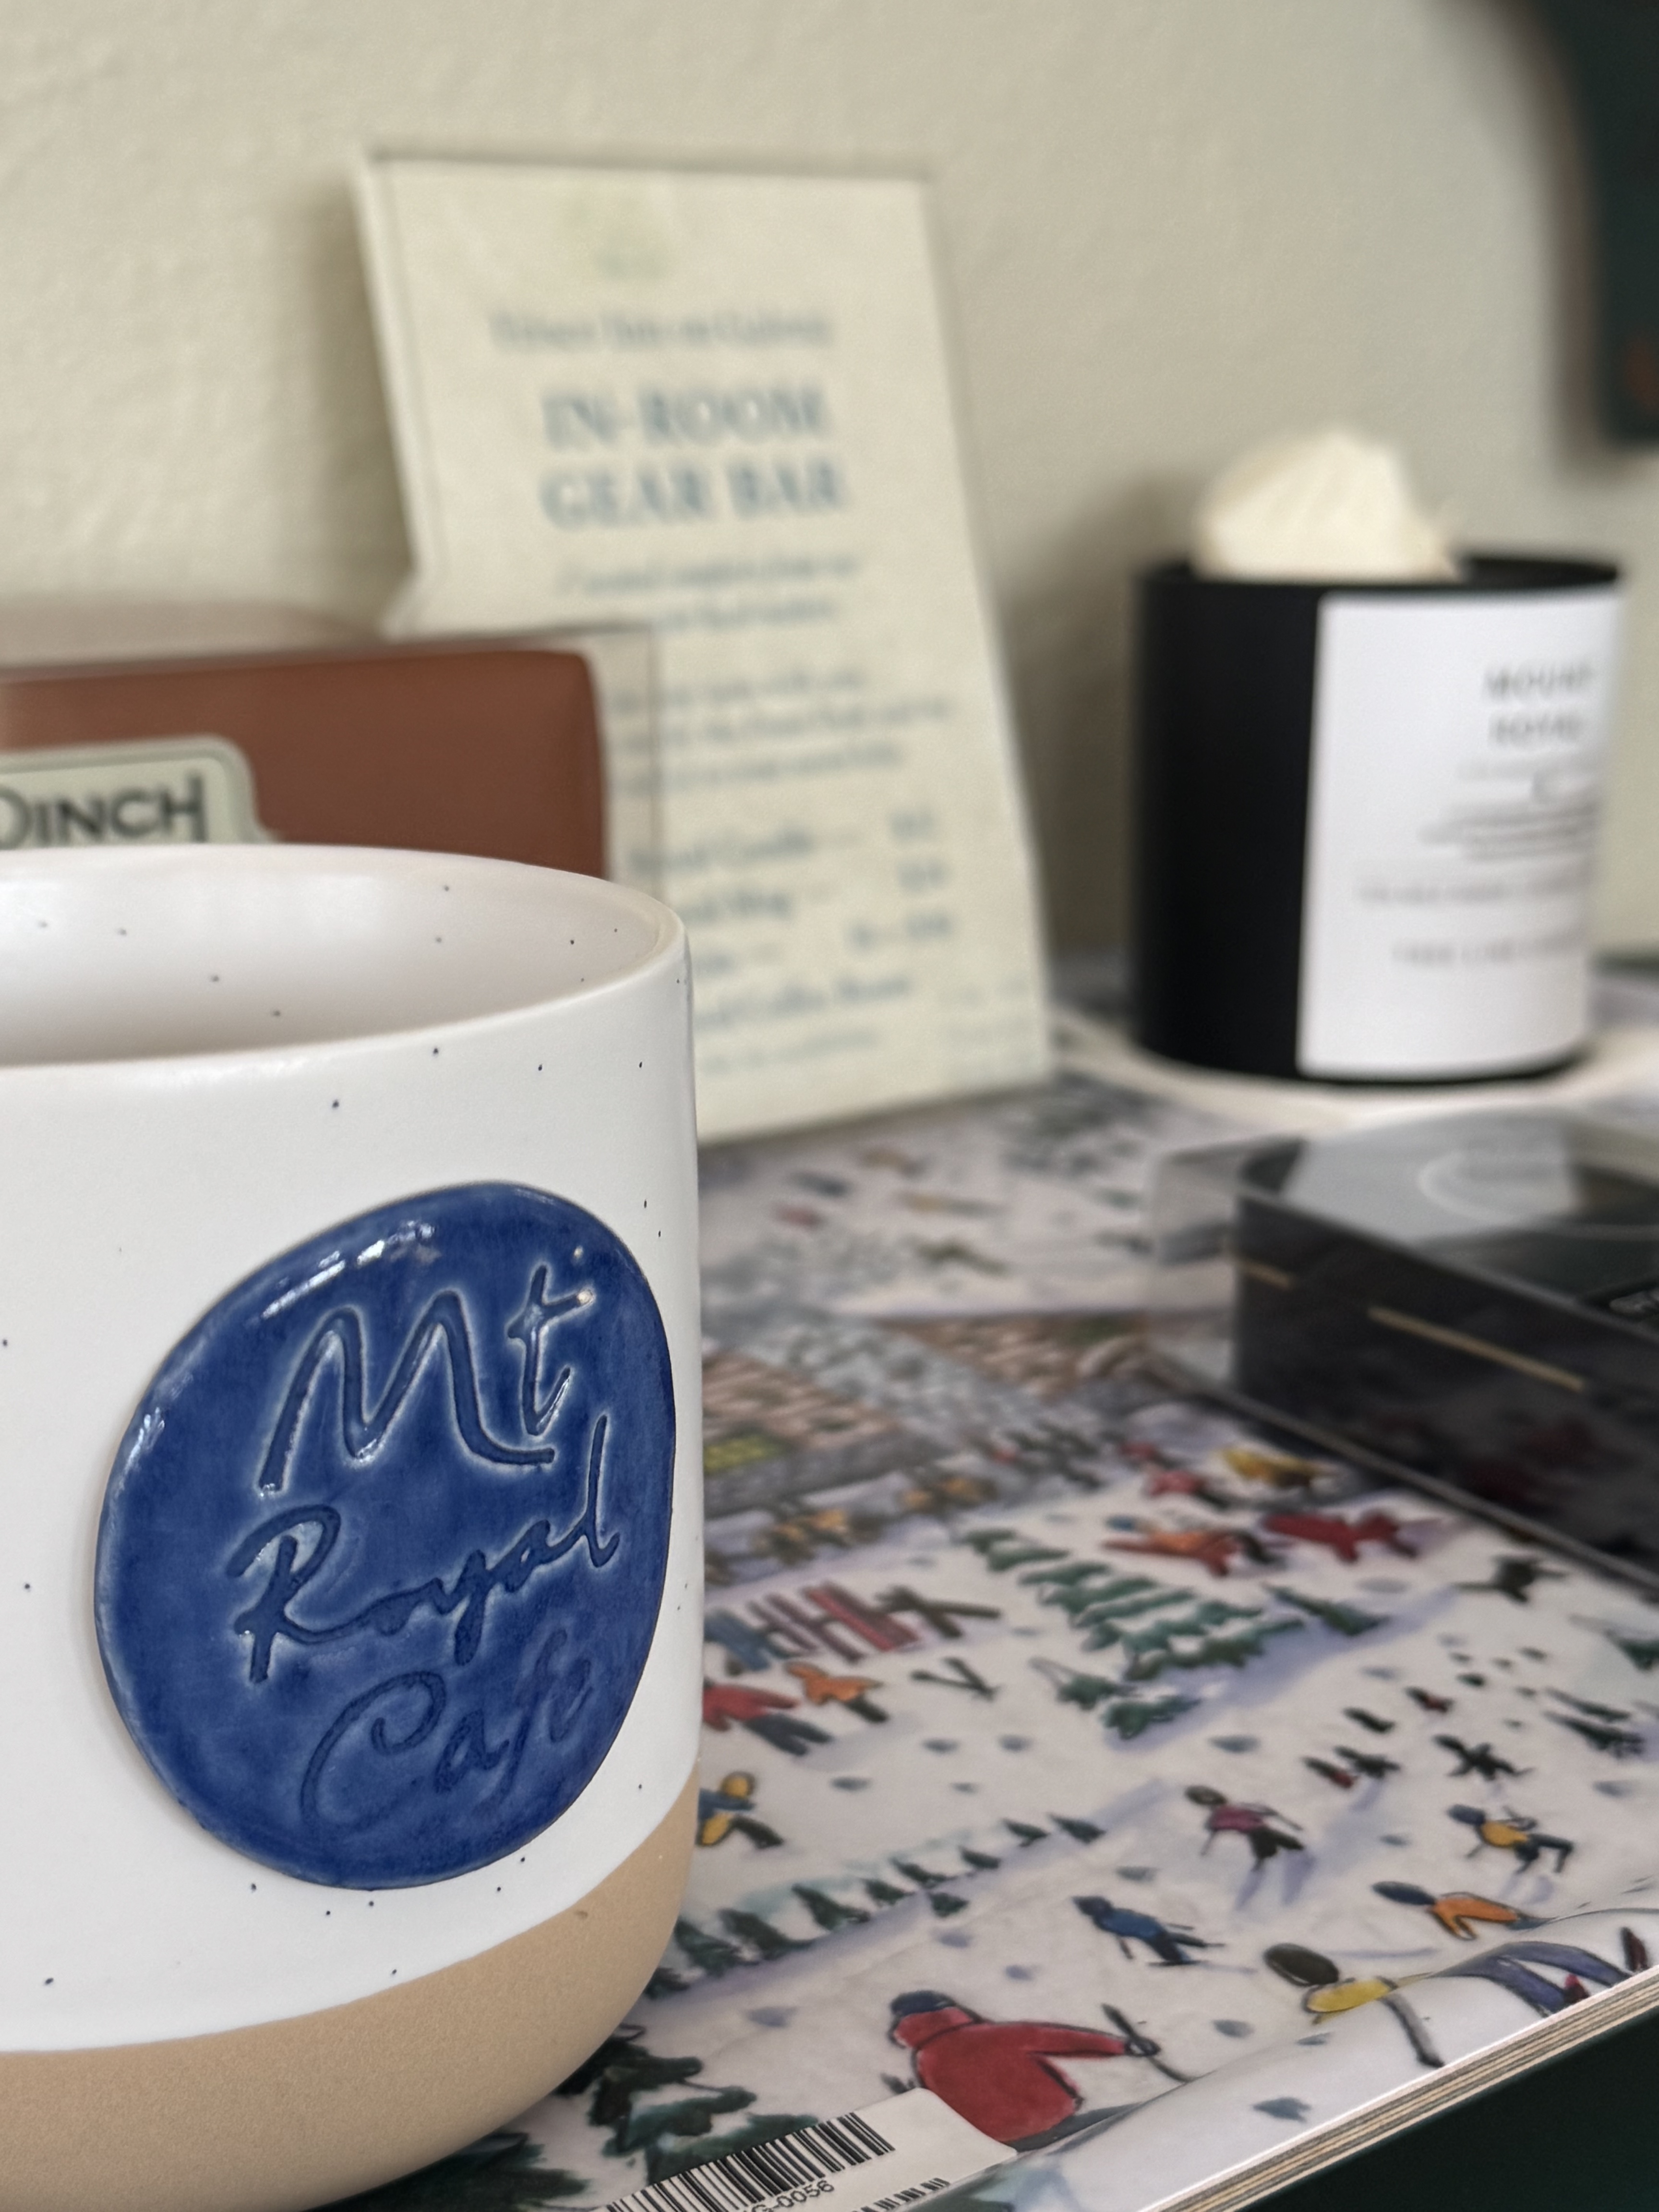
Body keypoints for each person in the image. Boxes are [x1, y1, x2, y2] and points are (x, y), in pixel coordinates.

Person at [887, 1992, 1135, 2147]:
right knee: (1139, 2117)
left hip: (1004, 2141)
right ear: (953, 2011)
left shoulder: (925, 2061)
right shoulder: (993, 2035)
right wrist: (1122, 2047)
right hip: (1054, 2122)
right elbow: (1062, 2040)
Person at [1187, 1786, 1304, 1866]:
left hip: (1261, 1830)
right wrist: (1206, 1849)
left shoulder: (1239, 1807)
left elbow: (1266, 1811)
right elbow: (1213, 1833)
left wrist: (1292, 1824)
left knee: (1286, 1845)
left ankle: (1295, 1853)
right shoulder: (1217, 1818)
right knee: (1266, 1854)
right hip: (1253, 1833)